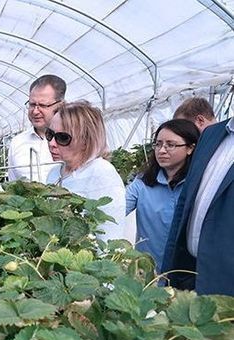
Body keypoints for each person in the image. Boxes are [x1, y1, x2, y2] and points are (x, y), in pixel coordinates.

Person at [162, 116, 234, 296]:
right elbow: (185, 203)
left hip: (225, 285)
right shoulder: (212, 134)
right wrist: (168, 271)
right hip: (186, 271)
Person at [45, 100, 126, 241]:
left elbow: (109, 236)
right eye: (49, 134)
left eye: (63, 138)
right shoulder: (54, 173)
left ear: (86, 141)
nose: (52, 143)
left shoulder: (101, 173)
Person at [125, 119, 199, 271]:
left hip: (186, 273)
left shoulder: (198, 184)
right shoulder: (142, 183)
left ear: (190, 148)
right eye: (158, 144)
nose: (161, 150)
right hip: (148, 273)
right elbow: (118, 207)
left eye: (170, 145)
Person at [7, 74, 66, 183]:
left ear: (60, 105)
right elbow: (13, 186)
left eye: (43, 105)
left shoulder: (72, 141)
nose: (35, 111)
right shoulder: (17, 142)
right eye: (32, 104)